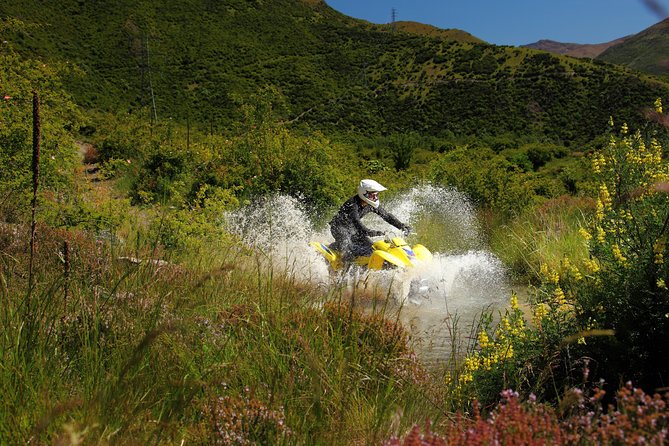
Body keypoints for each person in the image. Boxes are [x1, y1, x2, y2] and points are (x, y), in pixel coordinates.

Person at [329, 179, 412, 261]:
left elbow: (387, 216)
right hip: (338, 227)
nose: (375, 198)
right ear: (364, 193)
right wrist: (369, 231)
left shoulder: (370, 204)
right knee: (348, 251)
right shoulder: (353, 204)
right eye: (372, 195)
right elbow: (356, 221)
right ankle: (342, 268)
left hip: (352, 229)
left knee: (371, 248)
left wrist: (402, 226)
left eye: (376, 195)